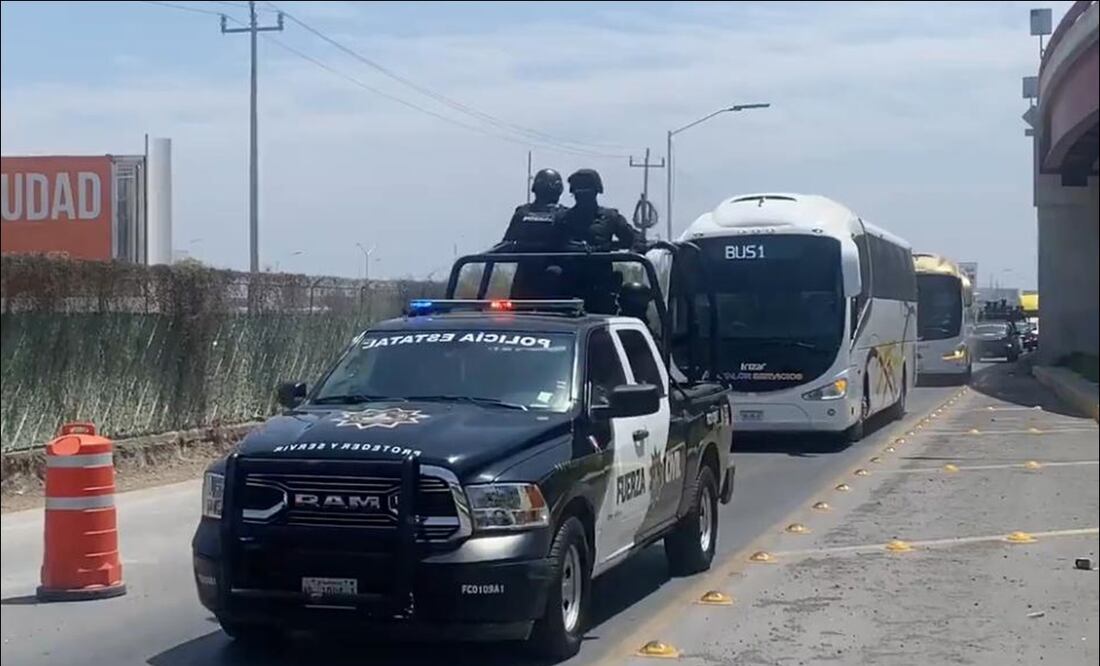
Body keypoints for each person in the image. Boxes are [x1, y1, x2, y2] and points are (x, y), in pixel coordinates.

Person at [562, 169, 638, 251]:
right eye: (579, 193)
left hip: (599, 262)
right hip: (570, 263)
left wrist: (605, 248)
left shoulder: (610, 217)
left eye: (587, 193)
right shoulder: (563, 219)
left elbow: (633, 240)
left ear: (595, 192)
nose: (583, 197)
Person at [499, 168, 568, 249]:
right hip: (557, 261)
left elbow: (506, 243)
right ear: (559, 189)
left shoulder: (521, 212)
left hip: (527, 261)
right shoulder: (566, 215)